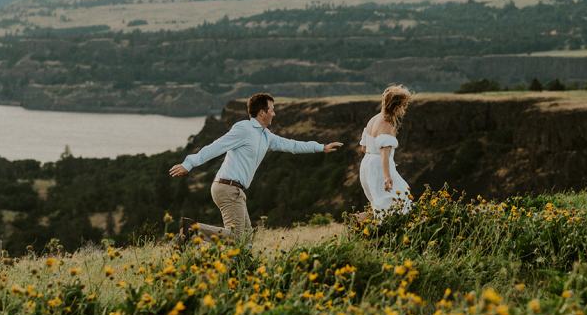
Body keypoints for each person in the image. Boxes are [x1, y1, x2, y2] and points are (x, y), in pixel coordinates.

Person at [169, 92, 342, 244]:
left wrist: (321, 147)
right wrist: (189, 163)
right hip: (227, 188)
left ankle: (233, 270)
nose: (274, 113)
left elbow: (292, 145)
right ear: (262, 112)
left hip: (236, 190)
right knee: (237, 237)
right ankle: (192, 231)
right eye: (272, 109)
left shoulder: (266, 136)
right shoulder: (244, 128)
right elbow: (216, 146)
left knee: (246, 239)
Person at [358, 85, 413, 219]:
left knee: (379, 201)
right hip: (379, 166)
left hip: (366, 164)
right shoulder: (387, 125)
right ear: (397, 106)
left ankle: (377, 230)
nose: (404, 108)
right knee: (400, 197)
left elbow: (363, 148)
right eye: (404, 105)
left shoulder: (373, 119)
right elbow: (384, 154)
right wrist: (387, 176)